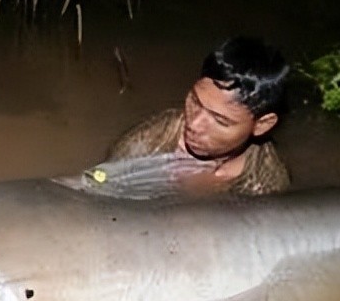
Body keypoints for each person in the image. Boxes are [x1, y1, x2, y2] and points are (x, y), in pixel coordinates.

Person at [106, 35, 292, 196]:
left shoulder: (266, 181)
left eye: (219, 120)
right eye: (195, 101)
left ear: (262, 125)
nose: (193, 124)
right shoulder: (148, 143)